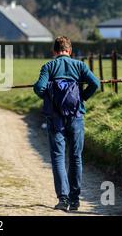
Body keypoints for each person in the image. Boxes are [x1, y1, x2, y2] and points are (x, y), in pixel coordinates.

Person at [33, 36, 100, 211]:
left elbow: (39, 88)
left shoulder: (49, 66)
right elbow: (95, 84)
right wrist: (82, 98)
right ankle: (75, 199)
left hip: (55, 119)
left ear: (55, 52)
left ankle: (62, 199)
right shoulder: (80, 66)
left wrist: (51, 100)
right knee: (76, 157)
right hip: (76, 116)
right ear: (70, 51)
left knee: (58, 157)